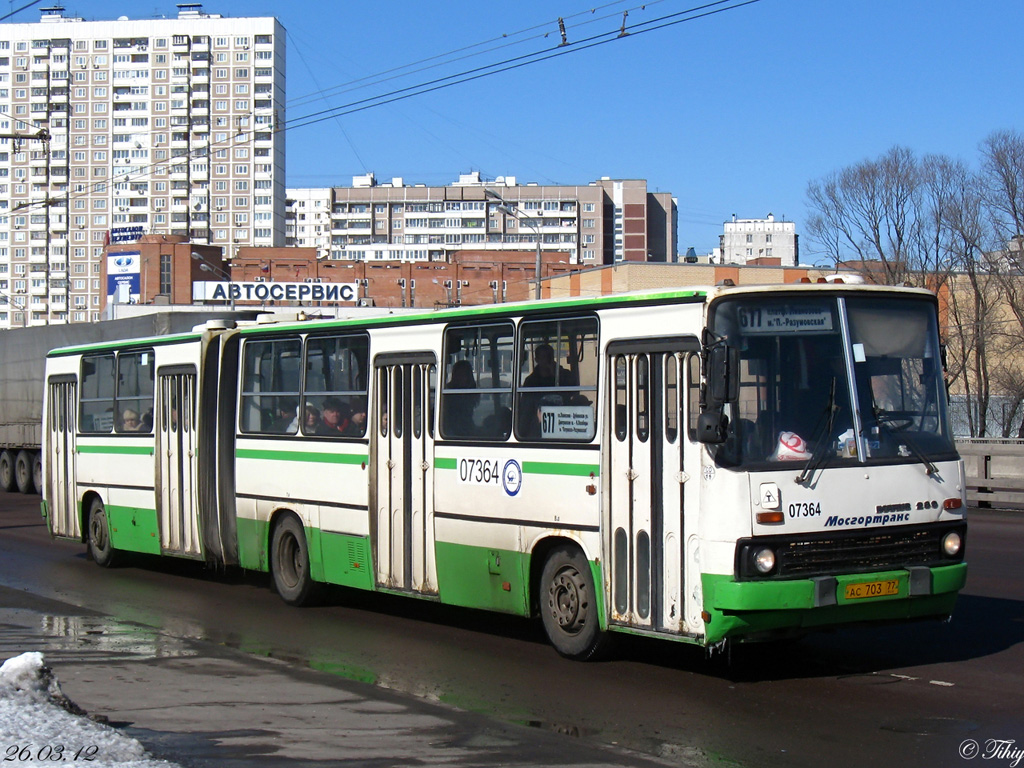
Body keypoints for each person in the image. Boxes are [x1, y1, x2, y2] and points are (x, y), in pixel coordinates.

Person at [443, 360, 478, 437]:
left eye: (464, 374)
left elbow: (469, 416)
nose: (461, 377)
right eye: (458, 374)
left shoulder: (472, 390)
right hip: (450, 429)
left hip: (466, 426)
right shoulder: (448, 392)